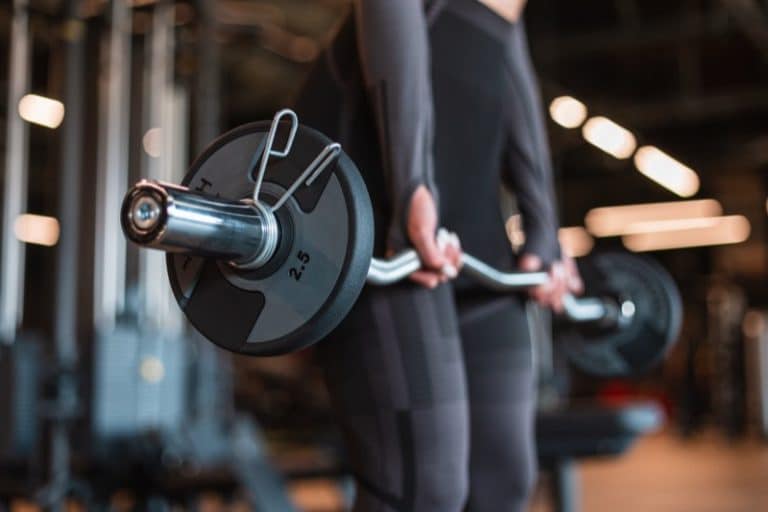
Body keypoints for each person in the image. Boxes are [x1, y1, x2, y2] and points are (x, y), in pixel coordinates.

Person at [295, 0, 582, 510]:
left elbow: (507, 59)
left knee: (504, 479)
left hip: (473, 242)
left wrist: (544, 232)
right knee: (422, 488)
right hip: (384, 236)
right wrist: (412, 189)